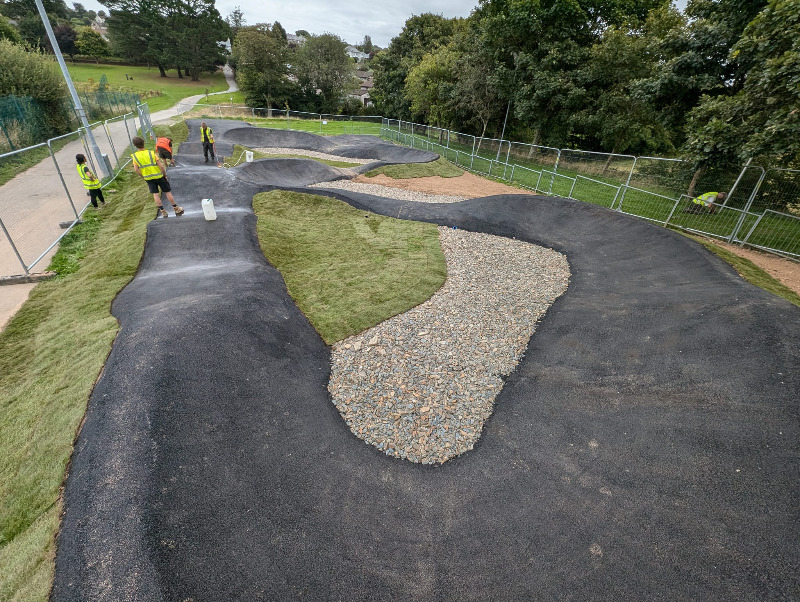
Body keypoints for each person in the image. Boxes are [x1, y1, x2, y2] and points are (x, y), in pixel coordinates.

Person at [130, 136, 184, 219]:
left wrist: (143, 176)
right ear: (143, 143)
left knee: (155, 194)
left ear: (135, 145)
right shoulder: (151, 153)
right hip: (159, 176)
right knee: (167, 192)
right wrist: (164, 175)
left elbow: (136, 169)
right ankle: (176, 208)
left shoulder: (135, 157)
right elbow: (161, 166)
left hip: (148, 178)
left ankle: (163, 211)